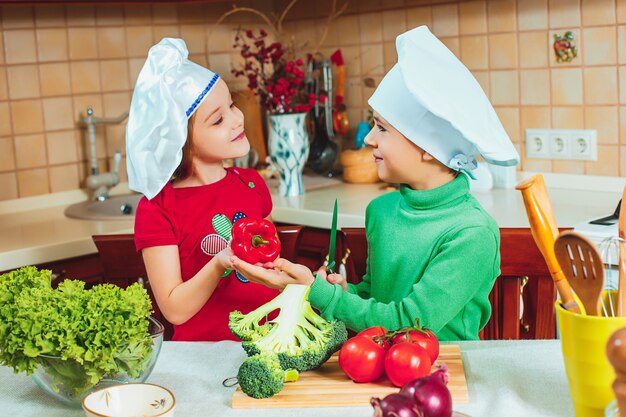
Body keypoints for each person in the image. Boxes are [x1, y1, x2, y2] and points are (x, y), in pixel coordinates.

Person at [231, 26, 520, 341]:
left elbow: (410, 323)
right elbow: (376, 298)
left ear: (427, 147)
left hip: (444, 376)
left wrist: (319, 294)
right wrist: (344, 291)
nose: (368, 138)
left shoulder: (472, 233)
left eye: (381, 128)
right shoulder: (381, 211)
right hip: (377, 364)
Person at [126, 38, 279, 341]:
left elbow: (270, 271)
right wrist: (220, 263)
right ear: (179, 140)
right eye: (219, 119)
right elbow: (174, 310)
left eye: (232, 105)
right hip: (201, 360)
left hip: (271, 345)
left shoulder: (252, 184)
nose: (237, 119)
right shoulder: (158, 208)